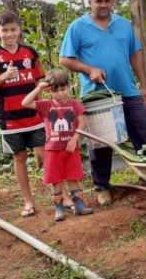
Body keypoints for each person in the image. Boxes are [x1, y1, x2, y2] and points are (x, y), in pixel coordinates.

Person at [59, 0, 146, 206]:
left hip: (128, 90)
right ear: (90, 2)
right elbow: (65, 59)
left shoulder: (123, 25)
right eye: (98, 0)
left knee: (145, 134)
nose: (103, 5)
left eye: (107, 0)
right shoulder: (78, 27)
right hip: (97, 96)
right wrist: (89, 69)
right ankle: (102, 187)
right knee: (101, 142)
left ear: (112, 2)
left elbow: (136, 55)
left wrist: (144, 85)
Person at [0, 11, 73, 218]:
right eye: (5, 30)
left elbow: (40, 82)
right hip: (11, 118)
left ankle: (65, 197)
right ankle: (28, 202)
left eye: (13, 30)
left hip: (34, 116)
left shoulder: (30, 53)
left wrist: (52, 100)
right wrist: (4, 76)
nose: (9, 34)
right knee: (19, 156)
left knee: (46, 154)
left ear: (19, 30)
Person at [22, 69, 94, 221]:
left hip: (70, 149)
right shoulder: (46, 106)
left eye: (63, 89)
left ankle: (80, 205)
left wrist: (74, 138)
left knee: (73, 178)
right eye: (55, 91)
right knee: (56, 180)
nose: (60, 94)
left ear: (68, 87)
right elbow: (25, 103)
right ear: (49, 92)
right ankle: (59, 208)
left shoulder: (74, 104)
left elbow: (82, 123)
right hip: (53, 150)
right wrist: (39, 88)